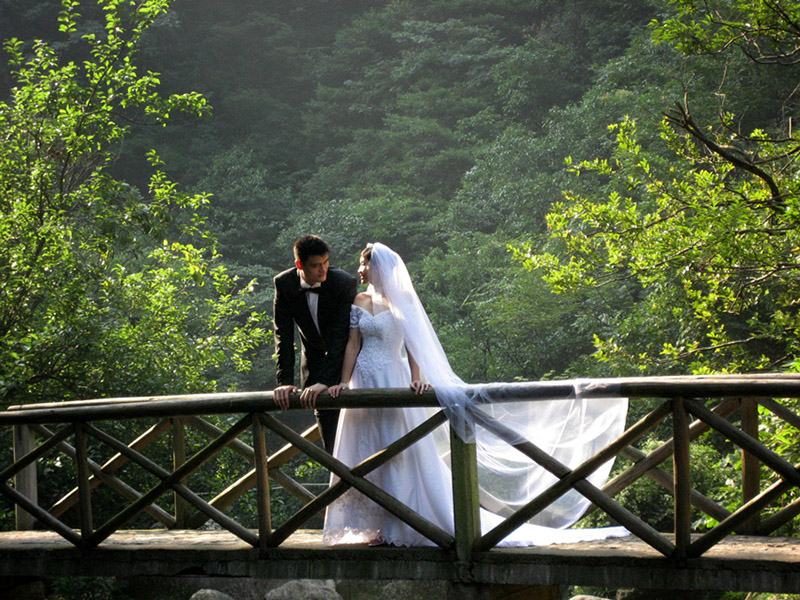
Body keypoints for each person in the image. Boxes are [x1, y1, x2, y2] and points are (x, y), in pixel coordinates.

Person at [323, 242, 630, 547]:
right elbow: (353, 344)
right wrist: (344, 382)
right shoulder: (359, 300)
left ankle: (400, 523)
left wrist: (416, 379)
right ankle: (372, 524)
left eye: (364, 264)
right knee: (365, 446)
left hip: (393, 375)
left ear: (377, 267)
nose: (359, 270)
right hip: (364, 378)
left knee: (397, 447)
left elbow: (413, 345)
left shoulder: (403, 301)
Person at [272, 235, 358, 453]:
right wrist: (284, 382)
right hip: (314, 370)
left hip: (350, 369)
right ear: (299, 264)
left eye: (326, 262)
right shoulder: (284, 283)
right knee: (332, 448)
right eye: (316, 265)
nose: (323, 269)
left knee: (360, 442)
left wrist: (326, 381)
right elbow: (283, 335)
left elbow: (341, 336)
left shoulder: (343, 283)